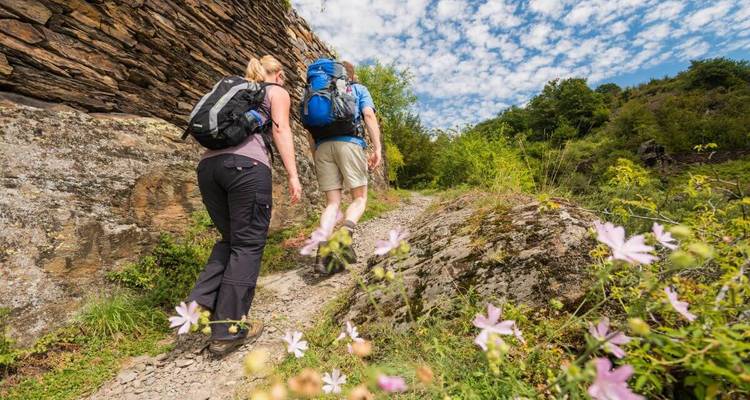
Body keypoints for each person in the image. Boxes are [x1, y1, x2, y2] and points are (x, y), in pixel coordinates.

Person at [187, 55, 302, 355]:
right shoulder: (275, 91)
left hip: (208, 170)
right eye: (283, 78)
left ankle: (197, 303)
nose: (284, 83)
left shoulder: (237, 91)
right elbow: (281, 131)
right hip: (246, 169)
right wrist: (293, 175)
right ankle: (227, 330)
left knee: (231, 240)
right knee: (248, 244)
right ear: (276, 74)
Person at [309, 60, 382, 273]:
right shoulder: (358, 89)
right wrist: (377, 148)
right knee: (359, 198)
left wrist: (317, 155)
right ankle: (343, 237)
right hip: (350, 144)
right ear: (351, 75)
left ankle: (322, 255)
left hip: (322, 147)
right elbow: (368, 115)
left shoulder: (316, 93)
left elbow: (309, 130)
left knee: (332, 203)